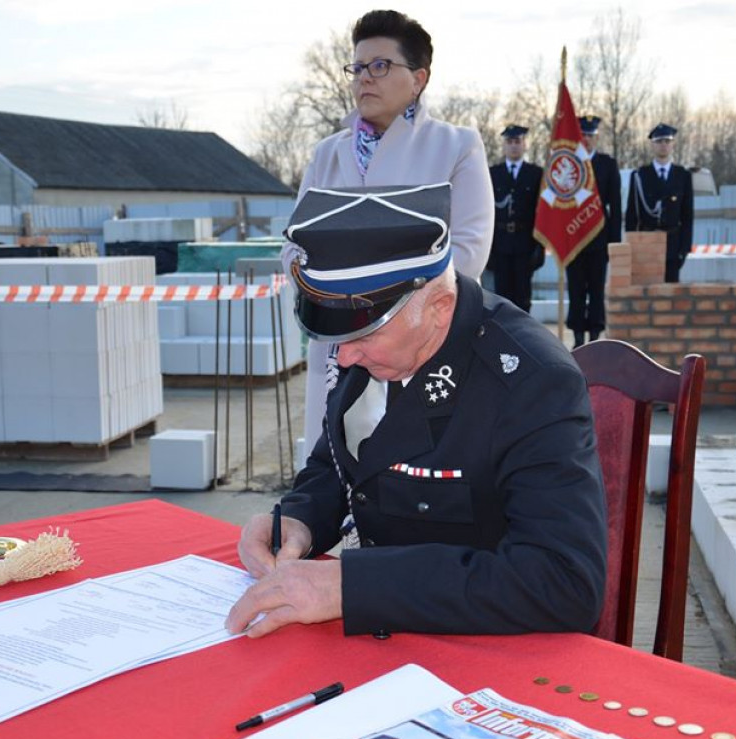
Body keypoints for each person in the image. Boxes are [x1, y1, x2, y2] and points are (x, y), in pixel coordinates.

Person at [227, 183, 607, 638]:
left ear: (439, 307)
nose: (343, 358)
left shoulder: (533, 382)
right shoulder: (377, 344)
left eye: (361, 336)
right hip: (383, 646)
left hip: (482, 651)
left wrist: (353, 586)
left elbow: (565, 583)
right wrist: (298, 519)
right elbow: (343, 463)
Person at [287, 9, 494, 461]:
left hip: (420, 342)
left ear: (418, 78)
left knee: (411, 472)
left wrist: (392, 311)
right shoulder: (328, 155)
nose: (365, 78)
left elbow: (469, 250)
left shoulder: (455, 146)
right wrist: (330, 300)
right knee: (334, 464)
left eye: (380, 65)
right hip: (337, 340)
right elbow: (295, 246)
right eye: (358, 67)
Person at [567, 115, 621, 348]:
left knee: (596, 290)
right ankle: (578, 336)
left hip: (599, 238)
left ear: (597, 137)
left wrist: (614, 243)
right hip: (574, 238)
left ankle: (595, 336)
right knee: (576, 289)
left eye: (590, 135)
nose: (587, 140)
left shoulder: (607, 164)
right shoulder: (568, 164)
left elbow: (616, 206)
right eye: (583, 135)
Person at [625, 122, 694, 283]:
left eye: (667, 141)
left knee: (669, 298)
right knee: (646, 295)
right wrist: (632, 246)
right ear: (652, 145)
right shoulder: (640, 175)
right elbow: (632, 215)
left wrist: (684, 249)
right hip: (646, 243)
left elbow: (687, 215)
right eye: (659, 141)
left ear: (672, 145)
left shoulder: (682, 175)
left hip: (672, 244)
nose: (663, 145)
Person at [487, 124, 544, 313]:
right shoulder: (492, 174)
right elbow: (485, 212)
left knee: (523, 297)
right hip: (500, 244)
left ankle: (523, 340)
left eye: (517, 141)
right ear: (503, 146)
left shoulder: (536, 174)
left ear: (525, 144)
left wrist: (539, 247)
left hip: (525, 244)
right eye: (509, 142)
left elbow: (542, 212)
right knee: (501, 298)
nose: (513, 146)